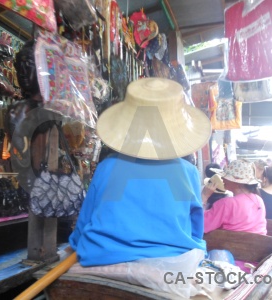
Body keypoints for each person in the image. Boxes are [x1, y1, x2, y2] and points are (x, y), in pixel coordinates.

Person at [68, 78, 211, 271]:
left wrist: (79, 245)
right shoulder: (188, 172)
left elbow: (83, 226)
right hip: (173, 261)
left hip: (103, 257)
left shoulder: (107, 167)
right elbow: (196, 230)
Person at [203, 159, 267, 235]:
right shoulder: (258, 199)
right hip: (258, 244)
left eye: (226, 177)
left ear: (237, 182)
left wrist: (204, 196)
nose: (222, 179)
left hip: (231, 245)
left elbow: (201, 225)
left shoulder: (226, 203)